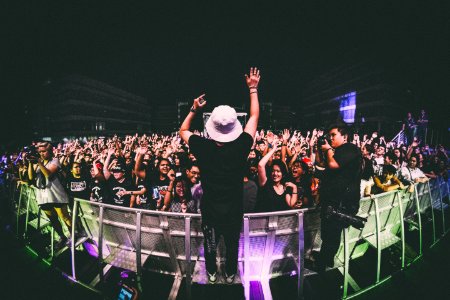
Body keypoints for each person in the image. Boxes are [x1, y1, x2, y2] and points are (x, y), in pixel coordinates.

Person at [179, 67, 261, 284]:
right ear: (234, 127)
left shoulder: (203, 147)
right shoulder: (242, 146)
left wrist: (194, 109)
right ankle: (231, 272)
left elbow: (183, 131)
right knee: (233, 244)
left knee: (210, 243)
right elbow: (254, 117)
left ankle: (212, 273)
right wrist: (253, 89)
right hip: (234, 209)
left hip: (210, 209)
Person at [314, 123, 362, 273]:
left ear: (344, 136)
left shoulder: (350, 149)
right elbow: (324, 165)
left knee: (331, 235)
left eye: (333, 135)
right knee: (329, 234)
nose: (330, 138)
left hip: (340, 204)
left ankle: (321, 266)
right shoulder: (339, 151)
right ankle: (326, 258)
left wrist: (328, 149)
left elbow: (333, 165)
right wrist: (319, 149)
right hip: (334, 202)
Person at [27, 142, 73, 251]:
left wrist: (39, 163)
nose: (41, 153)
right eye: (40, 152)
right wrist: (30, 163)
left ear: (50, 151)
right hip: (43, 196)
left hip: (56, 195)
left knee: (65, 217)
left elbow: (48, 174)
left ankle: (73, 235)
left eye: (44, 151)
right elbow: (30, 177)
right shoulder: (39, 162)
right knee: (53, 219)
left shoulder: (55, 160)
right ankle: (62, 237)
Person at [256, 146, 299, 212]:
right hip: (266, 221)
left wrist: (295, 187)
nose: (275, 174)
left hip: (283, 222)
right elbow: (260, 165)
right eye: (273, 171)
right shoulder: (265, 183)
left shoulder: (285, 186)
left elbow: (291, 204)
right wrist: (273, 149)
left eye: (278, 171)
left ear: (283, 173)